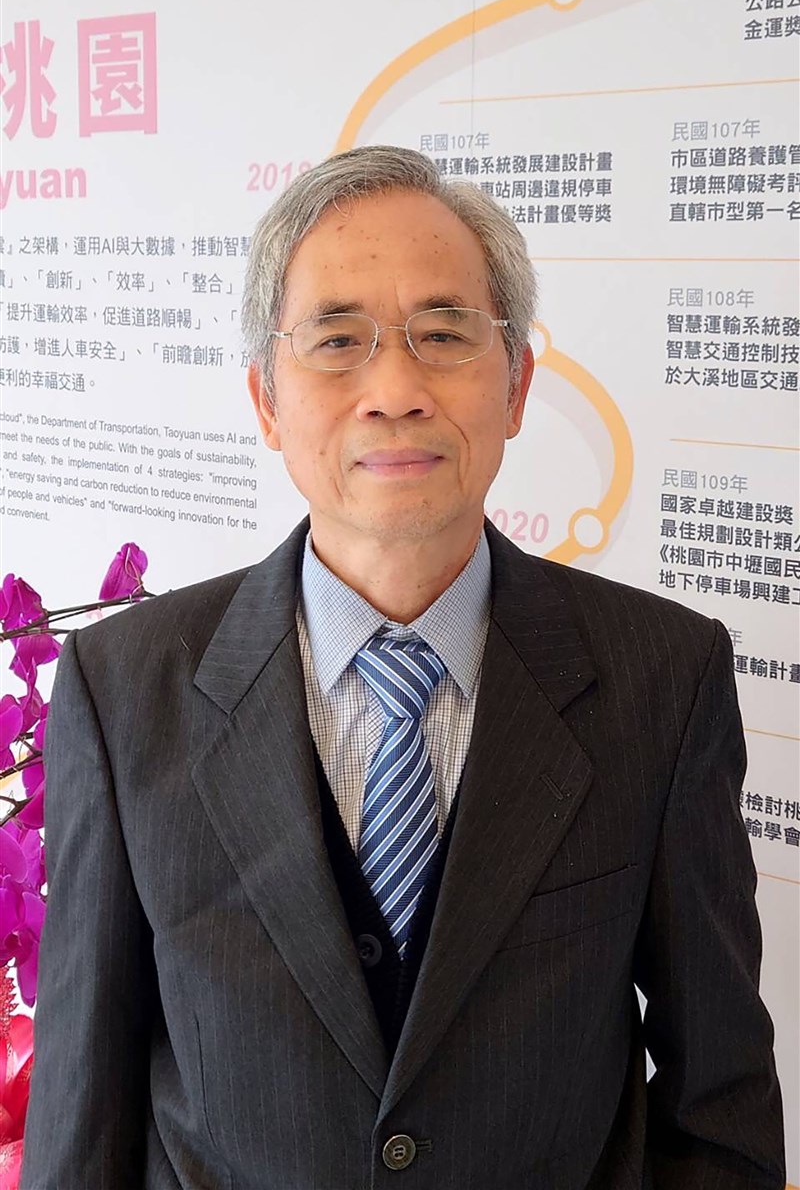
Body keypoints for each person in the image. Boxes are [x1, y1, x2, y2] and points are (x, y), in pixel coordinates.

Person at [23, 145, 785, 1190]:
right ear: (265, 400)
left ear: (516, 385)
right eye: (337, 340)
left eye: (445, 332)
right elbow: (83, 1107)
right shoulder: (122, 687)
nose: (394, 389)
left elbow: (719, 1101)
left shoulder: (663, 677)